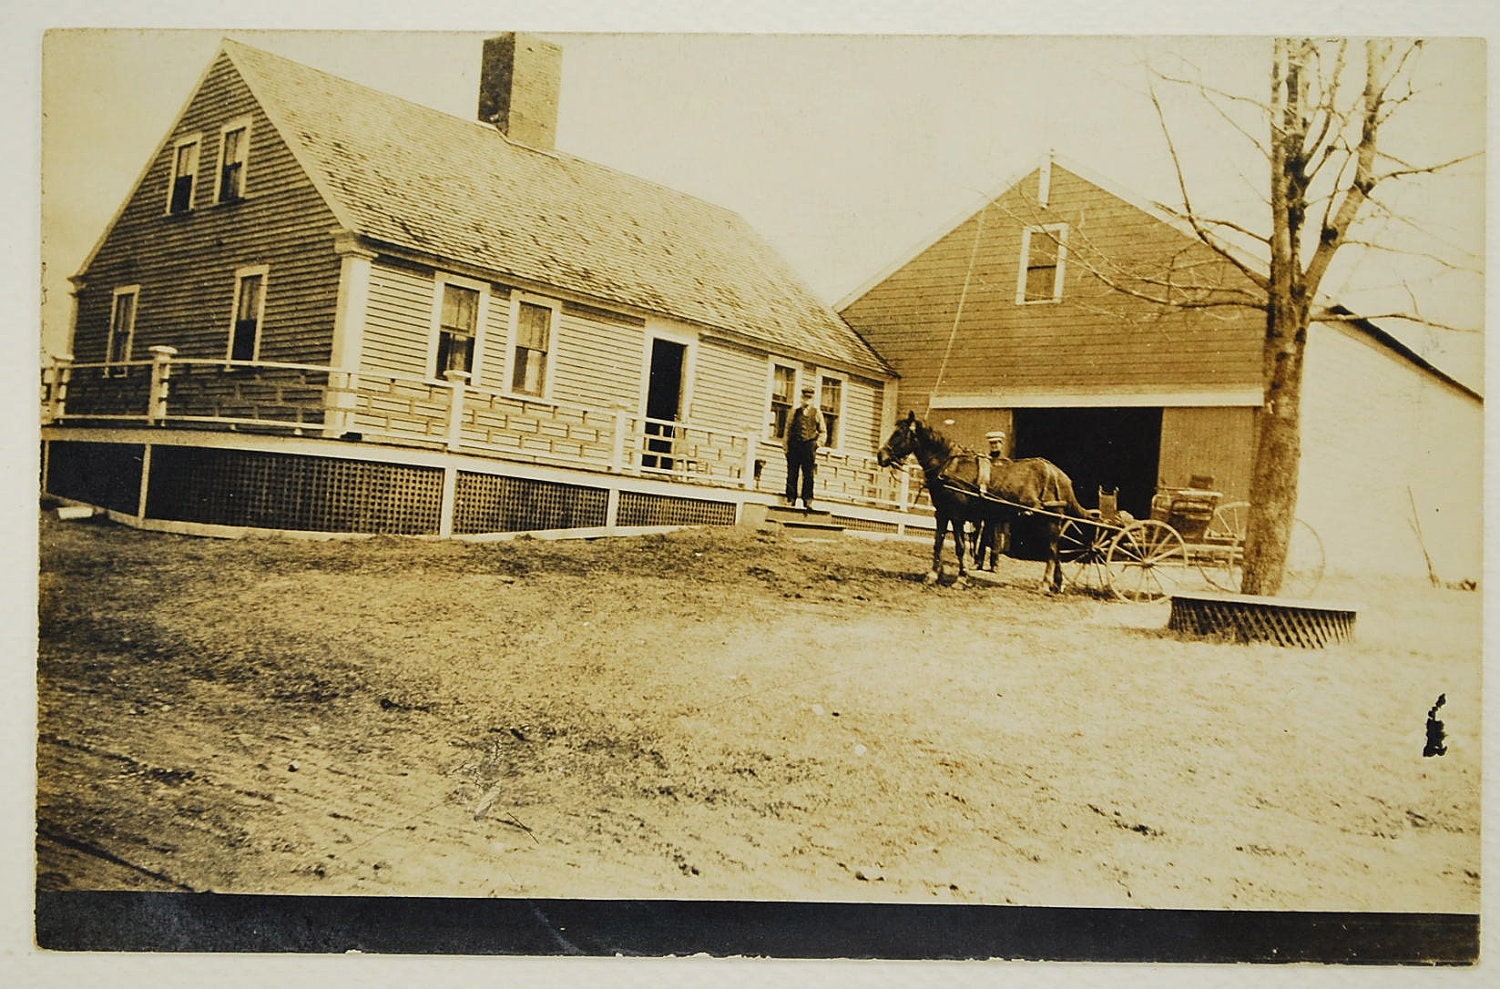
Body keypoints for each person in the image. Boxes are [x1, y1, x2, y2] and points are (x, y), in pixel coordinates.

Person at [783, 386, 824, 512]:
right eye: (805, 397)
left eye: (809, 397)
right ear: (801, 398)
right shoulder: (794, 412)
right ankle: (791, 498)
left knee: (808, 475)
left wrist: (817, 444)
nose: (806, 400)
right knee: (792, 473)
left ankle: (808, 500)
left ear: (812, 399)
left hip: (808, 446)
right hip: (795, 446)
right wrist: (785, 446)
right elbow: (787, 430)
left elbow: (823, 431)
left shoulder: (817, 413)